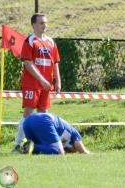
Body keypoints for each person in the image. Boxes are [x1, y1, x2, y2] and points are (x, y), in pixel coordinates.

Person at [12, 13, 61, 152]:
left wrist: (57, 80)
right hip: (32, 83)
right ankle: (17, 145)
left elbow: (55, 62)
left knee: (42, 115)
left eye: (45, 22)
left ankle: (38, 145)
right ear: (34, 25)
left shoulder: (51, 42)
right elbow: (28, 63)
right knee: (28, 114)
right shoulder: (30, 41)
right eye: (41, 23)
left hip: (46, 84)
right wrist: (41, 79)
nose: (44, 25)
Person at [21, 113, 90, 155]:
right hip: (43, 120)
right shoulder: (75, 135)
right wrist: (90, 153)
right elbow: (84, 152)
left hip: (28, 120)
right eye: (74, 149)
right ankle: (32, 146)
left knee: (37, 151)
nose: (72, 151)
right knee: (59, 152)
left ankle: (22, 146)